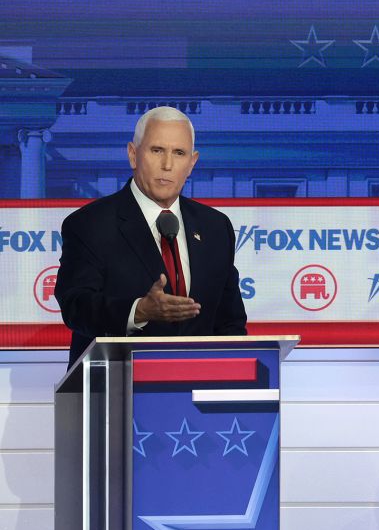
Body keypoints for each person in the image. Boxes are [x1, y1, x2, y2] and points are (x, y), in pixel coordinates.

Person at [55, 106, 247, 366]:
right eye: (157, 150)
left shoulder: (215, 227)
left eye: (179, 153)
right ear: (133, 155)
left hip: (197, 388)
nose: (167, 165)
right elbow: (76, 306)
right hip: (114, 386)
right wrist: (139, 310)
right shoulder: (89, 224)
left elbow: (230, 321)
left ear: (192, 163)